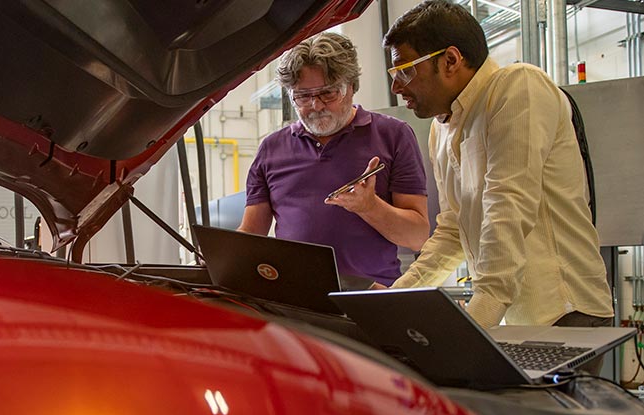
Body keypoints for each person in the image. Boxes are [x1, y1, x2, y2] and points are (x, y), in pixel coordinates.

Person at [383, 0, 613, 329]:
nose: (396, 87)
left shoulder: (517, 87)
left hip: (567, 314)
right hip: (514, 321)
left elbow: (508, 203)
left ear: (450, 60)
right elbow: (452, 231)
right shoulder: (442, 128)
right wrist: (395, 297)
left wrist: (478, 322)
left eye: (404, 70)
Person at [237, 32, 430, 286]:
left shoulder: (393, 135)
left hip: (371, 300)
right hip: (297, 298)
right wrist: (219, 254)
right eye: (303, 96)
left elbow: (417, 237)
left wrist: (369, 207)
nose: (316, 106)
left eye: (328, 93)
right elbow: (252, 235)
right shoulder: (271, 148)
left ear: (351, 87)